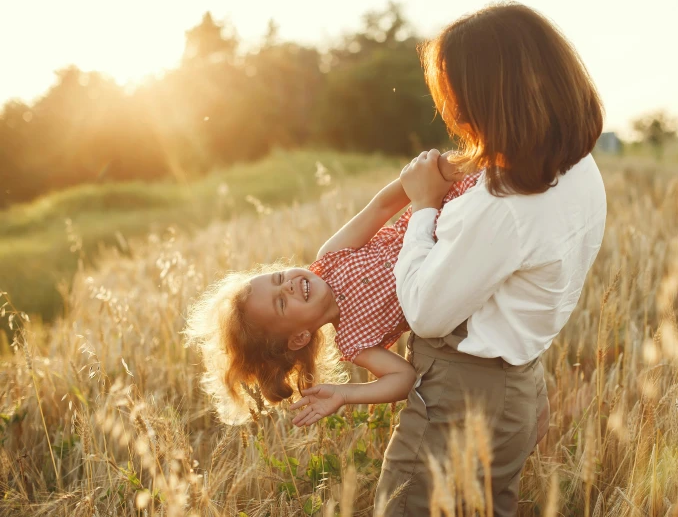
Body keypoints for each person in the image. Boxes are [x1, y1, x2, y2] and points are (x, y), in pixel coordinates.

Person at [374, 2, 607, 516]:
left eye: (455, 94)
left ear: (485, 99)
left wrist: (424, 208)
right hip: (516, 382)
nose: (454, 113)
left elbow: (425, 311)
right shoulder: (578, 168)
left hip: (461, 389)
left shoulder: (505, 205)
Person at [184, 156, 480, 424]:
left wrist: (435, 172)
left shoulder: (331, 256)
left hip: (449, 204)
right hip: (469, 258)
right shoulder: (356, 340)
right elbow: (403, 378)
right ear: (300, 337)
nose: (287, 286)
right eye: (281, 304)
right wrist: (345, 393)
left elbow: (381, 206)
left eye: (278, 278)